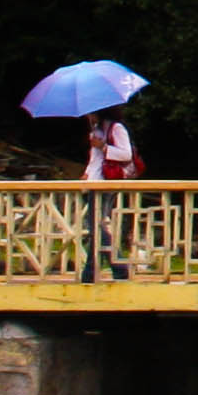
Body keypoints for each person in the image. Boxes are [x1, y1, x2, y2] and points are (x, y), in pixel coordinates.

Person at [81, 105, 140, 282]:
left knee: (95, 226)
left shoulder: (116, 128)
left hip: (106, 183)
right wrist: (86, 173)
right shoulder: (96, 131)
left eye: (90, 112)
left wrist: (104, 147)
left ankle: (115, 268)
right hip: (94, 181)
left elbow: (126, 154)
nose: (88, 116)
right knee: (95, 226)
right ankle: (91, 272)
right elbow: (95, 160)